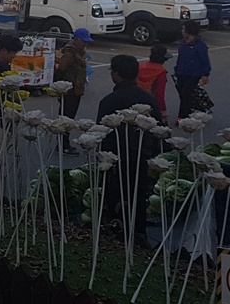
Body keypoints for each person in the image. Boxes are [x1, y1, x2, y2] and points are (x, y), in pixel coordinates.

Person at [97, 54, 161, 238]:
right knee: (138, 197)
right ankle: (138, 233)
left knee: (115, 197)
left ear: (116, 75)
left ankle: (117, 233)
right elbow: (158, 130)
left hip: (116, 161)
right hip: (141, 157)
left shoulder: (109, 101)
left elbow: (100, 132)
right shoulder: (148, 99)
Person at [173, 20, 211, 120]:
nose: (182, 31)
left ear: (188, 31)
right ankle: (191, 110)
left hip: (194, 74)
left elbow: (205, 60)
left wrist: (205, 74)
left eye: (183, 29)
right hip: (181, 73)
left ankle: (182, 116)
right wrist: (177, 70)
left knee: (186, 94)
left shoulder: (199, 45)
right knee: (183, 94)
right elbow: (180, 58)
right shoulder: (182, 43)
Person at [54, 28, 91, 120]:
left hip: (76, 91)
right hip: (70, 92)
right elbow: (60, 70)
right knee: (66, 118)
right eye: (83, 41)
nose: (85, 44)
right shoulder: (70, 54)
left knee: (70, 117)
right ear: (77, 40)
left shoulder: (80, 53)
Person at [137, 45, 171, 124]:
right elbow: (159, 94)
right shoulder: (161, 72)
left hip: (137, 99)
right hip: (150, 102)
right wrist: (163, 110)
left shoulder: (141, 67)